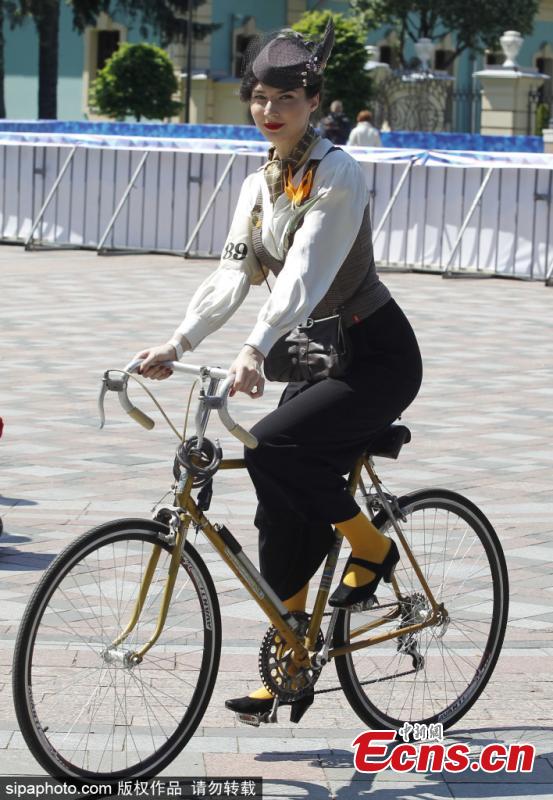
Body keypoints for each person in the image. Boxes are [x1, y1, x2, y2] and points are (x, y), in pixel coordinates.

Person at [136, 20, 422, 722]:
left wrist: (253, 348)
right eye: (260, 97)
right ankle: (290, 657)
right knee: (274, 497)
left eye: (285, 99)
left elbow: (303, 276)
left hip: (374, 353)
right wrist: (177, 342)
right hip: (311, 354)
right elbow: (234, 275)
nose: (270, 111)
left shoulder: (339, 173)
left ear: (312, 100)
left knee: (281, 448)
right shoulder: (259, 183)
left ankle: (373, 548)